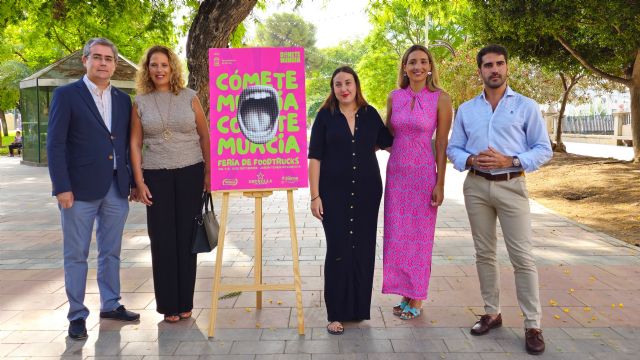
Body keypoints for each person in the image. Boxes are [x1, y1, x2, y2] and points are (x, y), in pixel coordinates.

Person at [446, 44, 552, 355]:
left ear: (507, 68)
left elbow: (543, 149)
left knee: (523, 258)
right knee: (484, 253)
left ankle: (533, 324)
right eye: (488, 65)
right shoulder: (467, 109)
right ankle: (491, 312)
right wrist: (470, 161)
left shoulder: (526, 106)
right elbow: (454, 148)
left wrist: (512, 161)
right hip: (476, 187)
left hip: (512, 186)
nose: (495, 69)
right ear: (479, 70)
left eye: (500, 64)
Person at [47, 38, 140, 341]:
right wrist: (62, 187)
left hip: (116, 188)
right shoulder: (67, 95)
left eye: (108, 59)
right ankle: (77, 315)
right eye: (97, 57)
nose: (103, 63)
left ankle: (110, 304)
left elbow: (126, 144)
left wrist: (132, 182)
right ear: (85, 61)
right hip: (78, 192)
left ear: (114, 63)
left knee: (111, 252)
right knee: (76, 255)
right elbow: (56, 144)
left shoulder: (124, 100)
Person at [308, 66, 393, 335]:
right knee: (338, 249)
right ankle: (336, 312)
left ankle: (357, 309)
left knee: (364, 247)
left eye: (348, 83)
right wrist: (314, 196)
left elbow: (386, 142)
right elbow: (315, 157)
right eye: (337, 84)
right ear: (332, 89)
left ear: (356, 85)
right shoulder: (325, 116)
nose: (343, 88)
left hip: (368, 191)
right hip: (332, 193)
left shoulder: (370, 115)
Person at [130, 45, 210, 323]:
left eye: (164, 64)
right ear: (147, 69)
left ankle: (185, 302)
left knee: (187, 239)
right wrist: (138, 181)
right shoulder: (140, 102)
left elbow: (204, 135)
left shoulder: (190, 97)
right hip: (156, 176)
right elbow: (135, 143)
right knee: (162, 240)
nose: (160, 70)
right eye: (154, 65)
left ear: (173, 67)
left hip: (190, 172)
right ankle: (168, 306)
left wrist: (208, 173)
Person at [382, 45, 453, 320]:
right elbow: (388, 136)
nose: (418, 67)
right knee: (398, 236)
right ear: (404, 67)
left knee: (420, 238)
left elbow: (442, 142)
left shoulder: (441, 98)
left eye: (423, 62)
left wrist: (441, 183)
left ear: (430, 67)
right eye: (412, 62)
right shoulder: (394, 97)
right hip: (397, 175)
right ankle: (405, 292)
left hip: (424, 176)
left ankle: (418, 298)